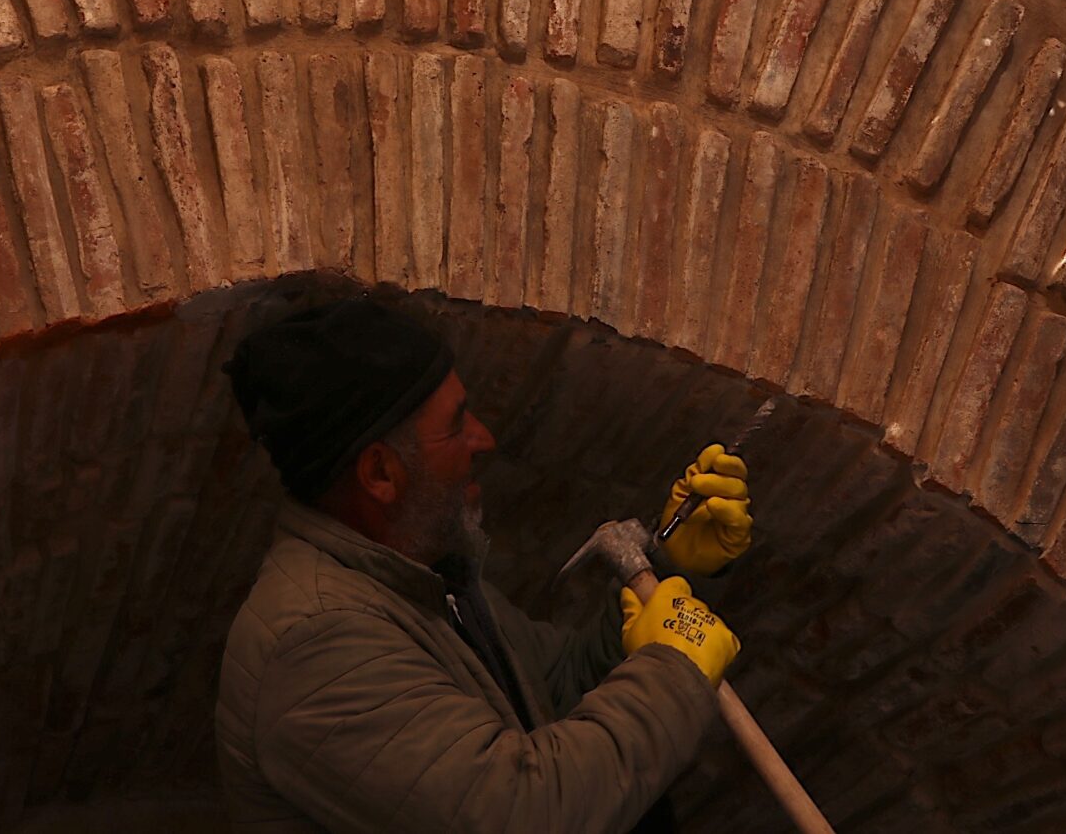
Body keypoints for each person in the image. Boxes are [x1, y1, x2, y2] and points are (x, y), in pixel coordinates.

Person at [215, 297, 752, 832]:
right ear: (380, 473)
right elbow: (520, 813)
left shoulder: (419, 577)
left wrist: (665, 567)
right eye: (454, 427)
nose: (484, 438)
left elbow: (559, 688)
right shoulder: (316, 644)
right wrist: (673, 667)